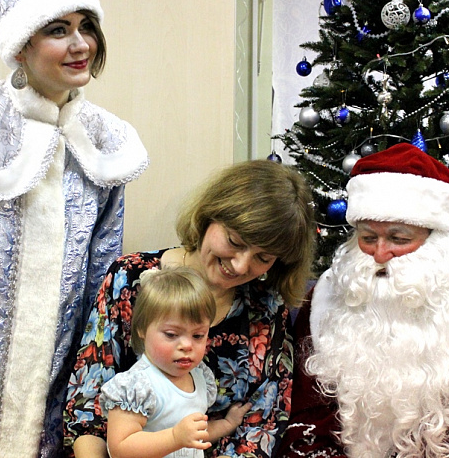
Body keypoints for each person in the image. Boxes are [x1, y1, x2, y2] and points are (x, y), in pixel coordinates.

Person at [0, 0, 148, 458]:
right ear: (21, 46)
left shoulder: (107, 140)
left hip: (61, 370)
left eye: (86, 26)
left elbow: (102, 271)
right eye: (58, 30)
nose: (81, 43)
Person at [63, 159, 317, 458]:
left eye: (263, 257)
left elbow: (261, 425)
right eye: (234, 241)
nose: (241, 265)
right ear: (210, 216)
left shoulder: (266, 308)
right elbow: (86, 408)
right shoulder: (131, 278)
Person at [277, 142, 449, 458]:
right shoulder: (327, 298)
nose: (380, 255)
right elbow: (307, 418)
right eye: (368, 238)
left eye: (399, 239)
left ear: (434, 241)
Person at [101, 266, 252, 458]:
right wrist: (174, 437)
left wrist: (227, 424)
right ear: (142, 329)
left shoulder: (199, 377)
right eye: (172, 334)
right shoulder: (137, 386)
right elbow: (120, 448)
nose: (187, 345)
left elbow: (194, 436)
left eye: (198, 335)